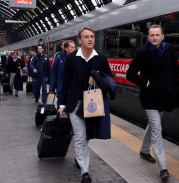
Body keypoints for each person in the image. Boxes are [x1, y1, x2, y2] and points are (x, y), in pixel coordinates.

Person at [59, 26, 113, 183]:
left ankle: (79, 158)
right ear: (79, 40)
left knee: (86, 137)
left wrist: (97, 79)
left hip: (92, 104)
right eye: (86, 37)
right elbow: (66, 81)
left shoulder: (101, 58)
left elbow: (109, 80)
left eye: (92, 36)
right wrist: (62, 105)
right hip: (75, 103)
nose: (90, 39)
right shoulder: (71, 58)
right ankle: (85, 172)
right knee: (81, 137)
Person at [126, 24, 179, 180]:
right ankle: (163, 168)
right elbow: (130, 74)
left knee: (153, 125)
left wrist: (170, 84)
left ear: (162, 36)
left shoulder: (169, 49)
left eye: (157, 35)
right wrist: (146, 83)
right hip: (149, 97)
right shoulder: (142, 52)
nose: (155, 37)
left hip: (164, 97)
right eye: (152, 35)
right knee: (157, 129)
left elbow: (175, 69)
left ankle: (144, 150)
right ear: (148, 37)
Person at [49, 40, 76, 109]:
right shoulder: (59, 58)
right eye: (72, 47)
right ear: (66, 49)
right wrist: (51, 88)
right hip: (61, 88)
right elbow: (54, 73)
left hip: (73, 89)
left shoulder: (77, 58)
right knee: (61, 108)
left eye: (74, 47)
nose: (74, 49)